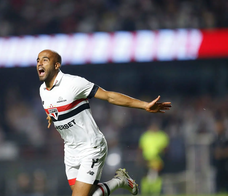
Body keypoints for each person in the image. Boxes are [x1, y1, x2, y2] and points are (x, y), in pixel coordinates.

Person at [36, 49, 172, 196]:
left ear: (56, 65)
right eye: (38, 60)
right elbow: (56, 108)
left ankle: (119, 181)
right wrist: (52, 117)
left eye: (45, 60)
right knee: (89, 194)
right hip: (70, 150)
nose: (39, 63)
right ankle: (120, 180)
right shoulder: (43, 90)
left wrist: (144, 105)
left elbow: (109, 96)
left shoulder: (73, 83)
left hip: (91, 146)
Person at [138, 121, 169, 195]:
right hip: (147, 159)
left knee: (156, 177)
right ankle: (146, 192)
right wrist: (140, 158)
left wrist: (161, 154)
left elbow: (165, 148)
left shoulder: (161, 135)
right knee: (146, 177)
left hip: (157, 159)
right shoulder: (145, 136)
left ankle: (155, 192)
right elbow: (141, 148)